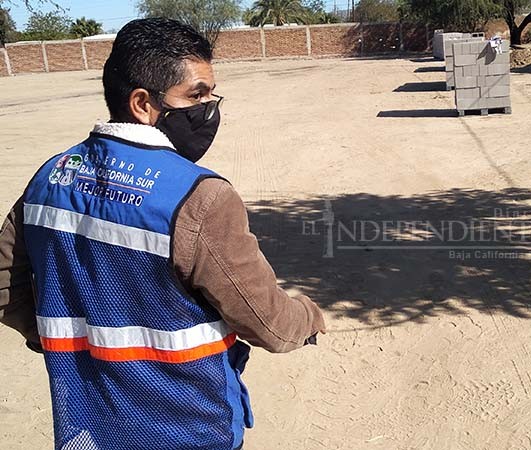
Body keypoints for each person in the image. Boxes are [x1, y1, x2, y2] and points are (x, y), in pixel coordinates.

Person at [0, 18, 326, 450]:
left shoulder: (50, 175)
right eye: (196, 95)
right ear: (141, 103)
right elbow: (270, 325)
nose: (209, 108)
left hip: (86, 425)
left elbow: (4, 283)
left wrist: (52, 337)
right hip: (189, 425)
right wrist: (310, 316)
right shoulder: (202, 198)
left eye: (211, 94)